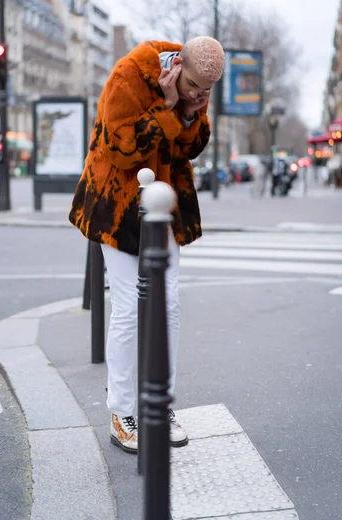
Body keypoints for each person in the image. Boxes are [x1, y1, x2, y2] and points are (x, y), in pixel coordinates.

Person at [69, 37, 225, 453]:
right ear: (176, 66)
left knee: (168, 305)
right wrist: (168, 106)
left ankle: (160, 403)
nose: (199, 95)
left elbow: (191, 148)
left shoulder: (197, 82)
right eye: (194, 87)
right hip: (117, 205)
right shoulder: (128, 76)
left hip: (162, 205)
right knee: (129, 307)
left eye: (206, 92)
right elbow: (122, 151)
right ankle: (122, 412)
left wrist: (190, 115)